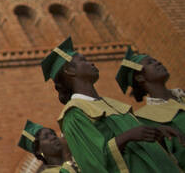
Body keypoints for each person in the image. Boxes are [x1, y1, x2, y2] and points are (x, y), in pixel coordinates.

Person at [41, 37, 181, 172]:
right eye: (83, 60)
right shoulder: (75, 114)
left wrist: (155, 133)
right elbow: (92, 162)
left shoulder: (111, 104)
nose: (92, 63)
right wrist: (129, 136)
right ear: (70, 70)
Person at [115, 47, 185, 168]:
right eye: (150, 62)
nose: (158, 62)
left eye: (156, 60)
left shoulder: (182, 96)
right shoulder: (144, 119)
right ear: (140, 77)